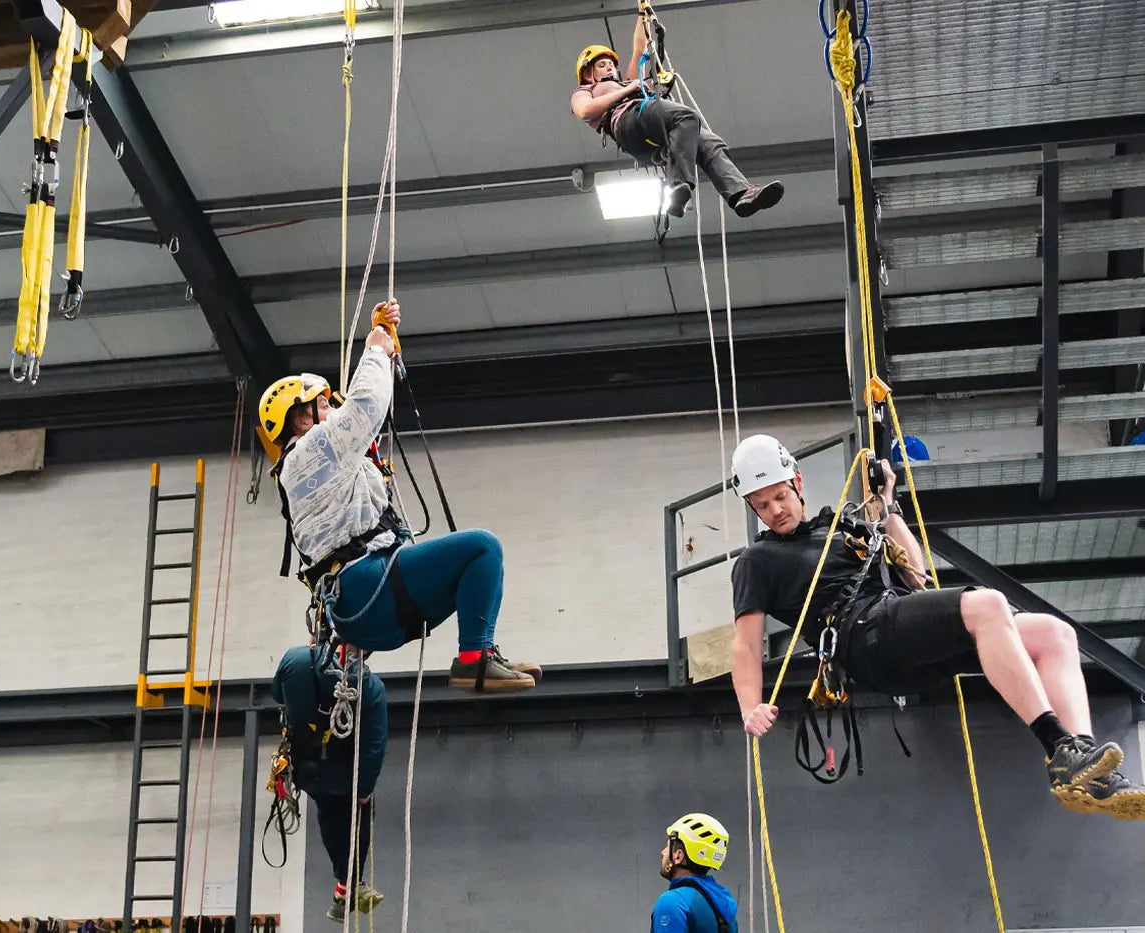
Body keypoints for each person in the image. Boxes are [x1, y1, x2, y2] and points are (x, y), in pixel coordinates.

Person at [723, 434, 1145, 821]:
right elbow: (745, 645)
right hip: (862, 635)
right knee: (988, 604)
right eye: (761, 505)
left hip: (898, 623)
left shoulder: (844, 528)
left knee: (1054, 634)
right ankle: (1059, 748)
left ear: (797, 482)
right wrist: (750, 707)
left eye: (779, 496)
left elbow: (917, 576)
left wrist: (888, 507)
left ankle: (1084, 765)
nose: (774, 511)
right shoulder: (757, 562)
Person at [261, 300, 540, 693]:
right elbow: (365, 409)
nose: (330, 408)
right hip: (368, 588)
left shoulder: (313, 466)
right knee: (482, 549)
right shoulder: (309, 452)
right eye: (322, 404)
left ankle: (481, 653)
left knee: (471, 569)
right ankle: (474, 659)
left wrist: (381, 344)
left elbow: (364, 424)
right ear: (299, 419)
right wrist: (376, 347)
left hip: (368, 611)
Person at [570, 16, 783, 220]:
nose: (610, 67)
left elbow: (640, 48)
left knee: (709, 141)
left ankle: (740, 194)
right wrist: (631, 89)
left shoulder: (627, 83)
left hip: (652, 131)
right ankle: (677, 185)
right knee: (686, 117)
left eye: (611, 64)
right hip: (628, 122)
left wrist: (641, 12)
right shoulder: (587, 90)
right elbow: (585, 110)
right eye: (602, 65)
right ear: (589, 74)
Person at [272, 644, 387, 922]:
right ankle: (349, 884)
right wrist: (364, 789)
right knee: (358, 816)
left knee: (328, 814)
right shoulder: (368, 688)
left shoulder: (296, 659)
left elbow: (277, 692)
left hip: (307, 770)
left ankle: (344, 888)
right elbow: (374, 744)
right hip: (342, 775)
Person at [650, 813, 738, 933]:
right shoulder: (723, 903)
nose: (663, 852)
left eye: (668, 847)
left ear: (678, 856)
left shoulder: (673, 901)